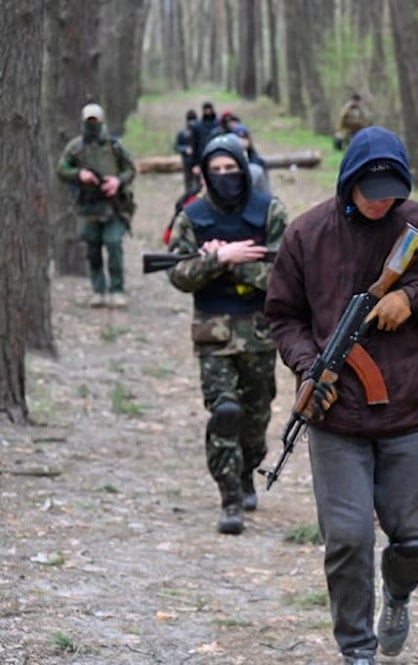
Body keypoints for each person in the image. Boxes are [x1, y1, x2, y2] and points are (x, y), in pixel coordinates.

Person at [264, 126, 418, 665]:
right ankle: (357, 649)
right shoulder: (307, 235)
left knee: (415, 538)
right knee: (348, 540)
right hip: (336, 418)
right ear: (347, 182)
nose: (381, 201)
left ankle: (397, 598)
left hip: (408, 411)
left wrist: (413, 297)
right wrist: (311, 369)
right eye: (370, 190)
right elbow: (282, 317)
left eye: (391, 191)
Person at [166, 133, 288, 536]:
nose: (224, 176)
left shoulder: (269, 211)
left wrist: (234, 263)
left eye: (231, 169)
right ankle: (229, 496)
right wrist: (217, 258)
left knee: (255, 418)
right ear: (204, 173)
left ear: (244, 168)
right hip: (213, 332)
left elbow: (283, 278)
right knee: (225, 411)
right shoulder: (192, 216)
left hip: (258, 332)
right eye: (216, 170)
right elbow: (178, 274)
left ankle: (248, 469)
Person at [57, 102, 137, 308]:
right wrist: (79, 174)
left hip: (113, 206)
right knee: (93, 249)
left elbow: (130, 169)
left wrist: (117, 182)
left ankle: (117, 289)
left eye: (95, 120)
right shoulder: (75, 147)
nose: (92, 124)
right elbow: (62, 170)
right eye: (88, 121)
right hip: (87, 207)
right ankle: (99, 290)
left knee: (113, 244)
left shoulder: (114, 146)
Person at [230, 123, 270, 193]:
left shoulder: (257, 161)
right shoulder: (228, 161)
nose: (242, 141)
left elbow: (265, 187)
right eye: (239, 137)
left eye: (244, 137)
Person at [174, 109, 199, 192]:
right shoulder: (182, 133)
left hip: (197, 160)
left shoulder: (199, 131)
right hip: (187, 160)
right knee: (188, 182)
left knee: (199, 181)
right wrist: (185, 149)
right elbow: (176, 146)